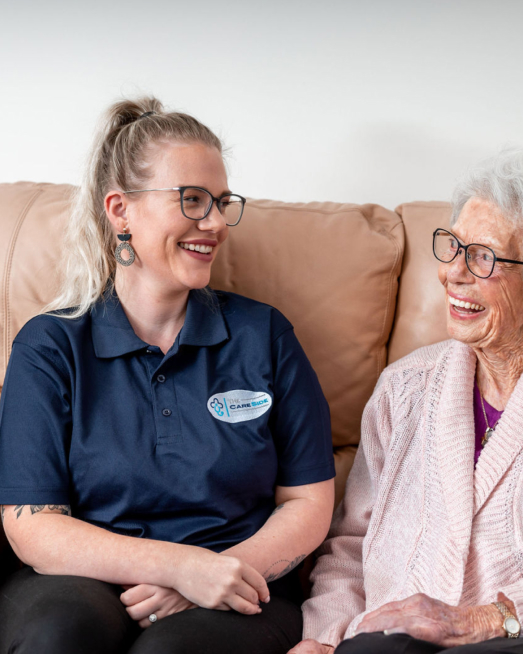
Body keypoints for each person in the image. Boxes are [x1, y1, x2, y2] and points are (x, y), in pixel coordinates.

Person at [0, 97, 336, 654]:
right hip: (85, 582)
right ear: (119, 211)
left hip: (238, 582)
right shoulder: (50, 345)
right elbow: (32, 525)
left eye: (223, 203)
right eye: (193, 200)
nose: (216, 223)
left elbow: (308, 503)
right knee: (57, 636)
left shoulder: (264, 336)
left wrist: (220, 573)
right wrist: (179, 567)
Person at [292, 149, 523, 654]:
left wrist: (490, 618)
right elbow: (351, 547)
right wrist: (321, 637)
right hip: (400, 637)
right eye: (454, 246)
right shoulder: (402, 388)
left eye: (483, 257)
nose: (452, 274)